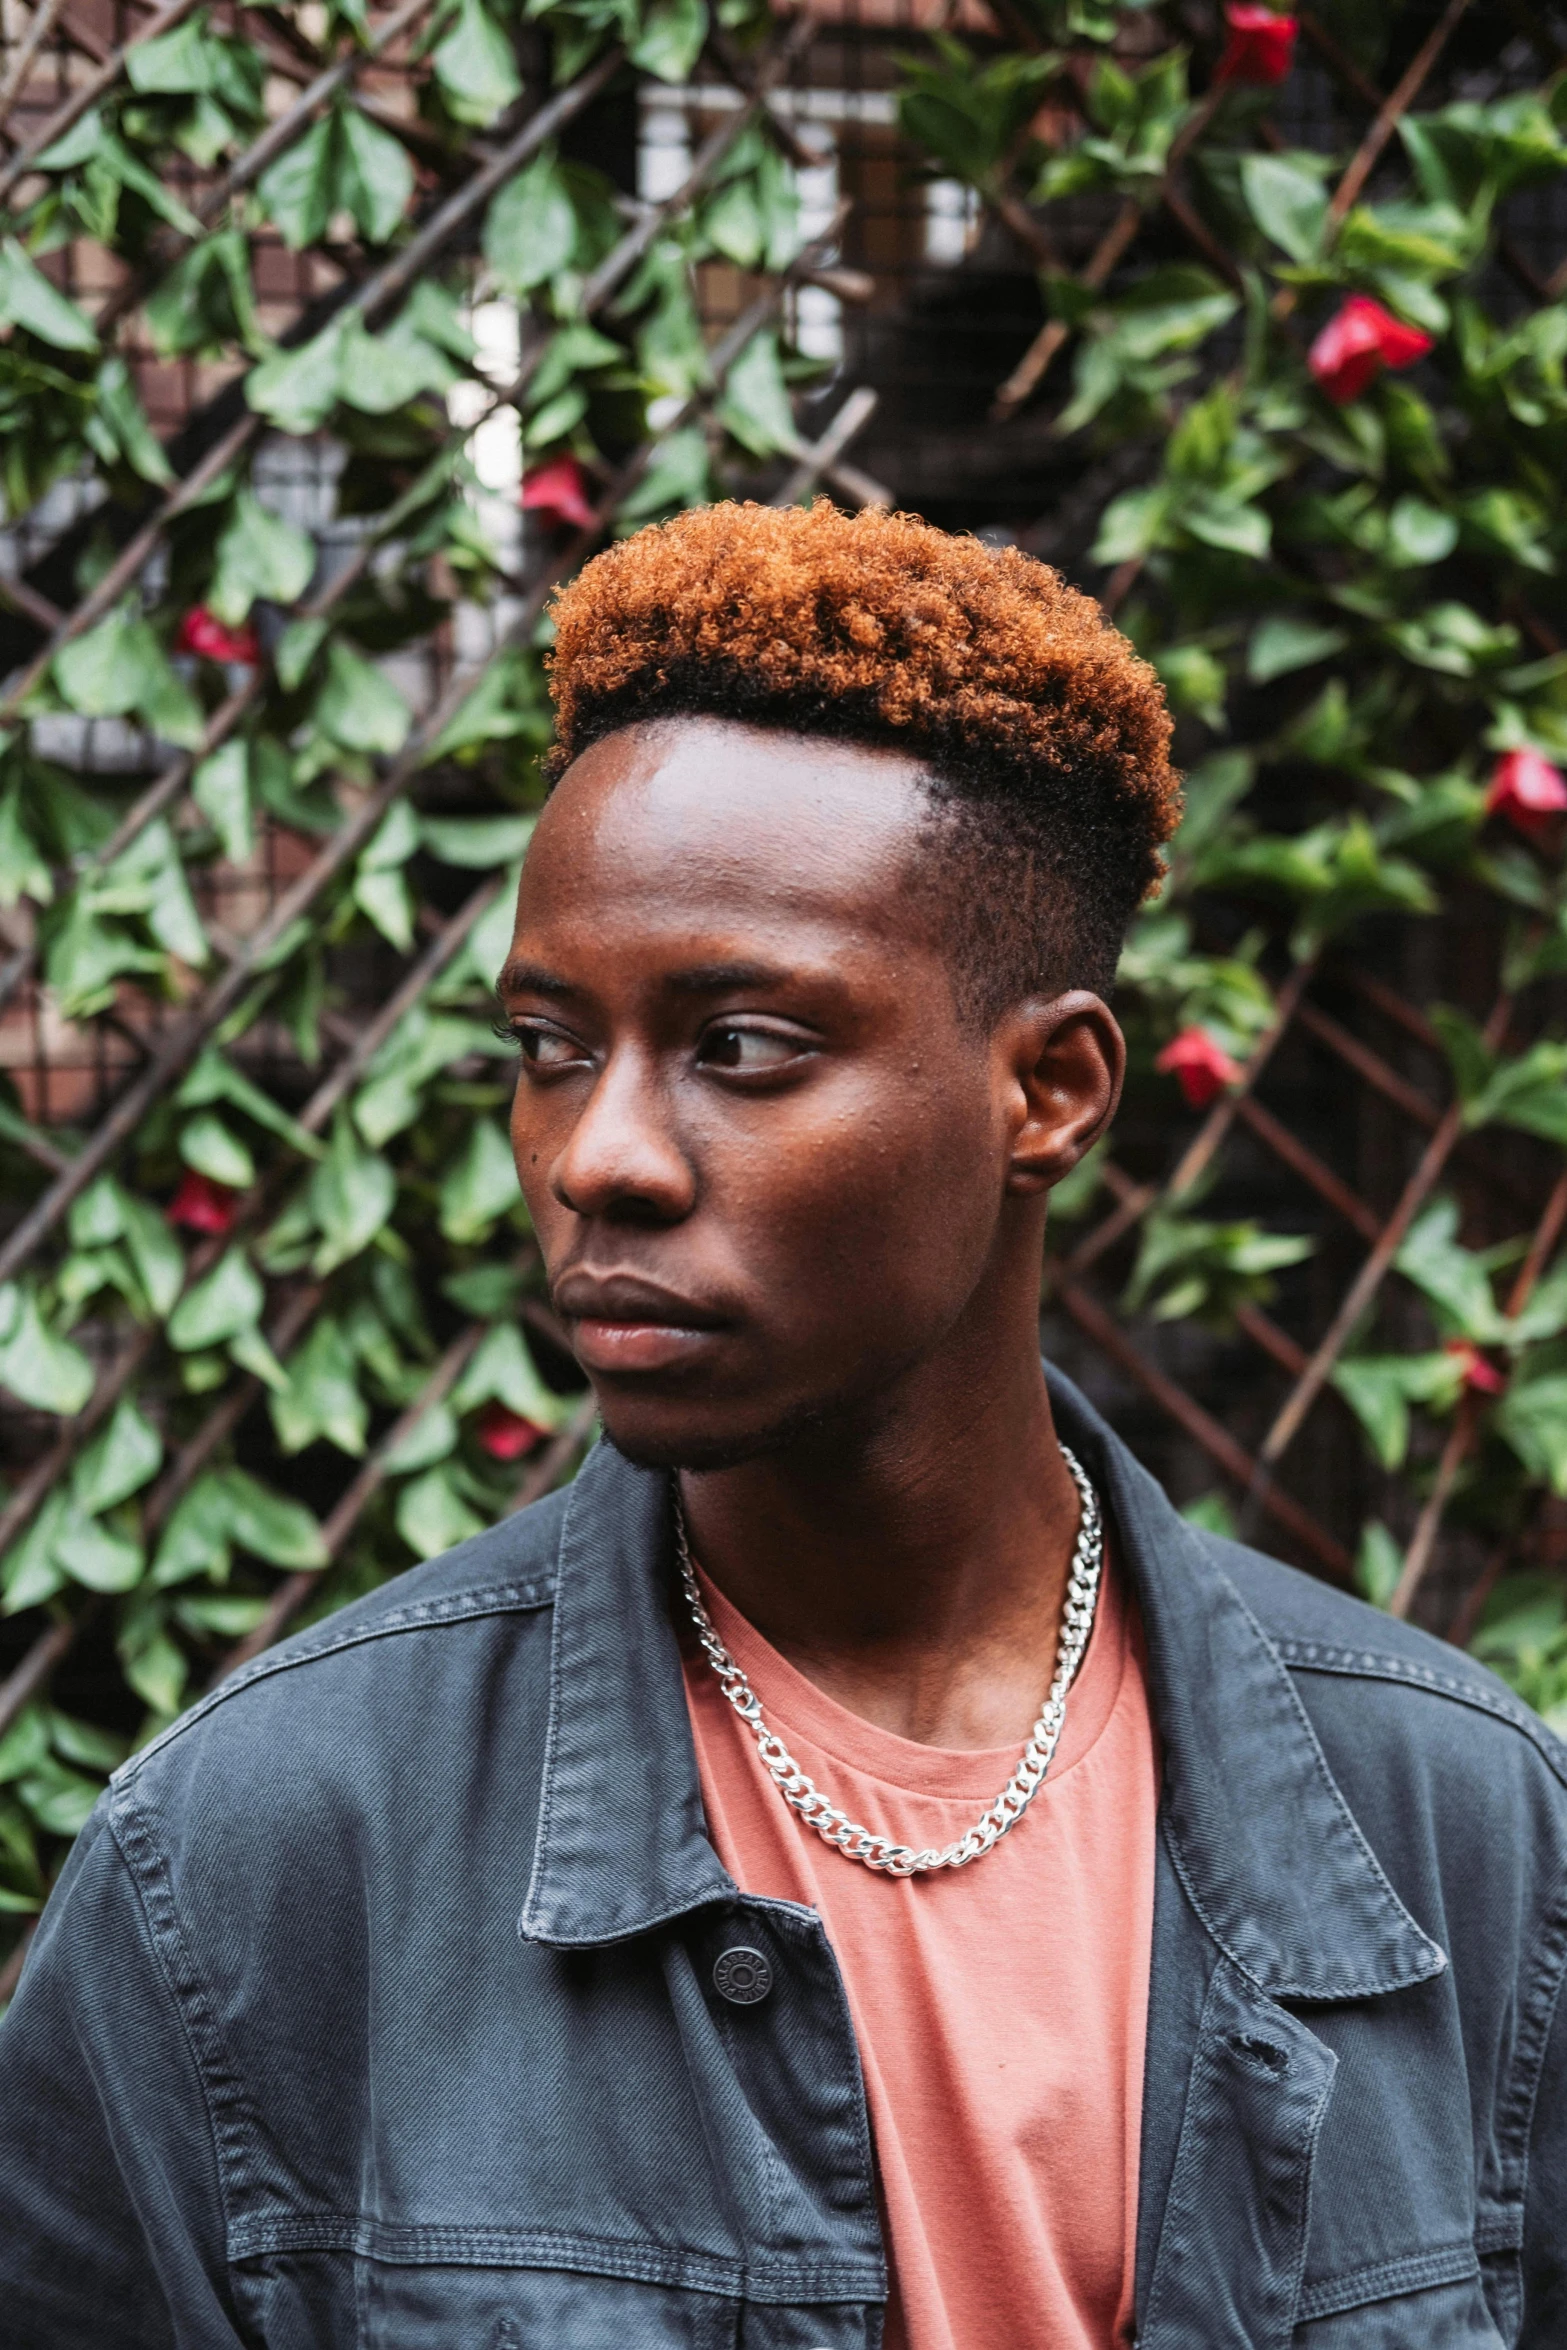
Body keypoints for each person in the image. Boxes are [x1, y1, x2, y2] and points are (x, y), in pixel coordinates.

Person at [0, 500, 1563, 2350]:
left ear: (1046, 1087)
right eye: (550, 1045)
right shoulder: (264, 1859)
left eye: (741, 1046)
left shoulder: (1455, 1821)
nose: (599, 1155)